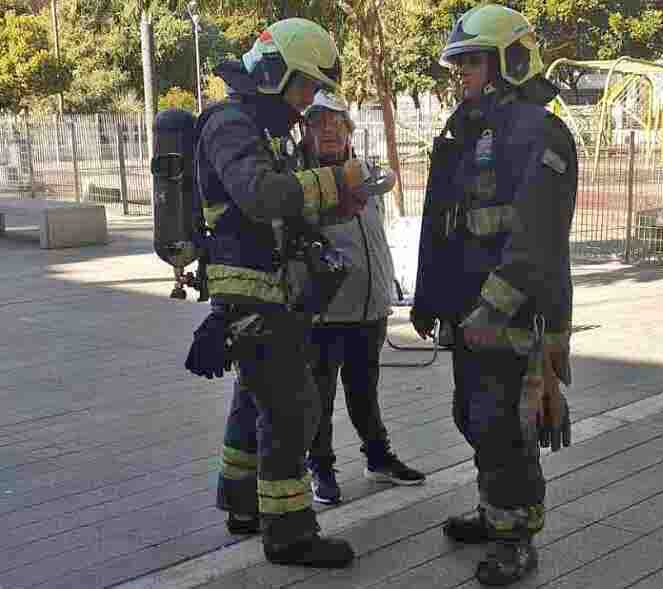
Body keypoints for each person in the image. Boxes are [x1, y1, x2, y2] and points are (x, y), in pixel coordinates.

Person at [184, 18, 370, 569]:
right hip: (252, 293)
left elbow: (283, 209)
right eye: (305, 87)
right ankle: (289, 532)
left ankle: (241, 503)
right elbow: (263, 196)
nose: (307, 102)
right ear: (274, 73)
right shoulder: (231, 125)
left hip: (268, 291)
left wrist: (338, 203)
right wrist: (338, 179)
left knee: (255, 401)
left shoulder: (260, 126)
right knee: (293, 411)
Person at [410, 4, 577, 586]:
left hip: (512, 316)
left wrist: (493, 306)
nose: (463, 76)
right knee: (473, 416)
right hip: (467, 312)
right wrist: (428, 297)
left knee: (503, 425)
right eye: (460, 65)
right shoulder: (467, 129)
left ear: (509, 60)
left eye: (473, 63)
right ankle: (493, 510)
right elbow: (442, 219)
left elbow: (537, 237)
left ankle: (516, 536)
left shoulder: (540, 131)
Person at [301, 91, 426, 505]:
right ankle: (319, 467)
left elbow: (387, 180)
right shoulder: (303, 180)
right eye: (320, 124)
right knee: (320, 395)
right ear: (305, 131)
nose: (330, 130)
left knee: (364, 390)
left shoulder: (363, 173)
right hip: (326, 312)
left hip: (371, 307)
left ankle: (377, 457)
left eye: (338, 123)